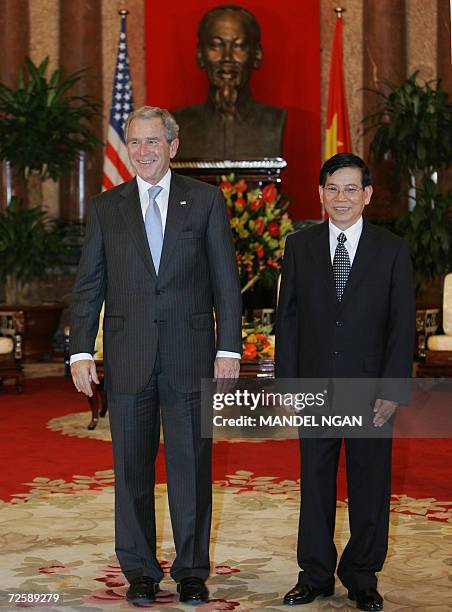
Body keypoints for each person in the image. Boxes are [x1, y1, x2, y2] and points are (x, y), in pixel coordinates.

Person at [69, 106, 242, 605]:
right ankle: (140, 571)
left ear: (173, 145)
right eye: (135, 142)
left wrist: (228, 347)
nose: (143, 151)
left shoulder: (206, 201)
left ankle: (191, 571)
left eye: (152, 142)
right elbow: (89, 285)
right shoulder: (106, 207)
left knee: (191, 468)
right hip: (128, 358)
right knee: (132, 472)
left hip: (190, 355)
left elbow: (225, 283)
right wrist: (81, 350)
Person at [275, 153, 415, 611]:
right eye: (333, 188)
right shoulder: (300, 246)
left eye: (351, 189)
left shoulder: (392, 249)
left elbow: (402, 327)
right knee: (314, 484)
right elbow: (288, 321)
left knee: (369, 485)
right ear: (320, 193)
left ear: (367, 195)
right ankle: (314, 573)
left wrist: (393, 391)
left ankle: (361, 575)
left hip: (370, 390)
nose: (341, 198)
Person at [172, 4, 286, 160]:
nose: (227, 57)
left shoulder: (273, 122)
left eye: (239, 46)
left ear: (257, 55)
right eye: (216, 45)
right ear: (200, 55)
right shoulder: (178, 124)